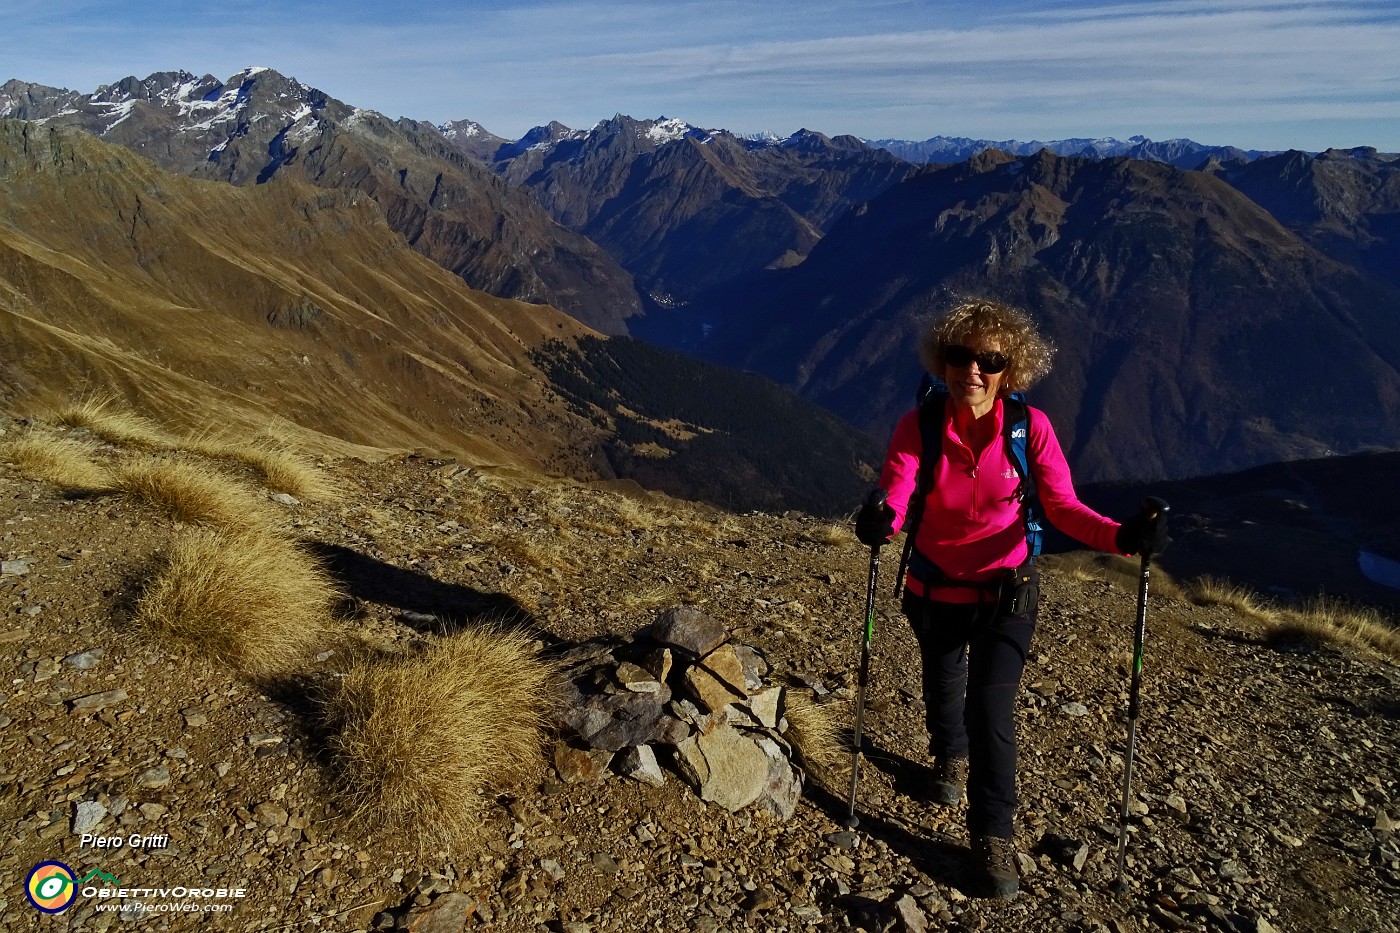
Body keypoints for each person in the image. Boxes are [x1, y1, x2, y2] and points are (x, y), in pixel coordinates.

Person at [854, 298, 1166, 899]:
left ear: (1011, 371)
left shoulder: (1031, 429)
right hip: (933, 587)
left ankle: (992, 834)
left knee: (990, 713)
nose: (973, 369)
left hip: (1008, 594)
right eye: (959, 356)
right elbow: (896, 491)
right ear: (941, 362)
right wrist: (879, 521)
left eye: (990, 360)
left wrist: (1125, 539)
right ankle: (948, 759)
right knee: (942, 684)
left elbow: (1064, 509)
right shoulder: (918, 425)